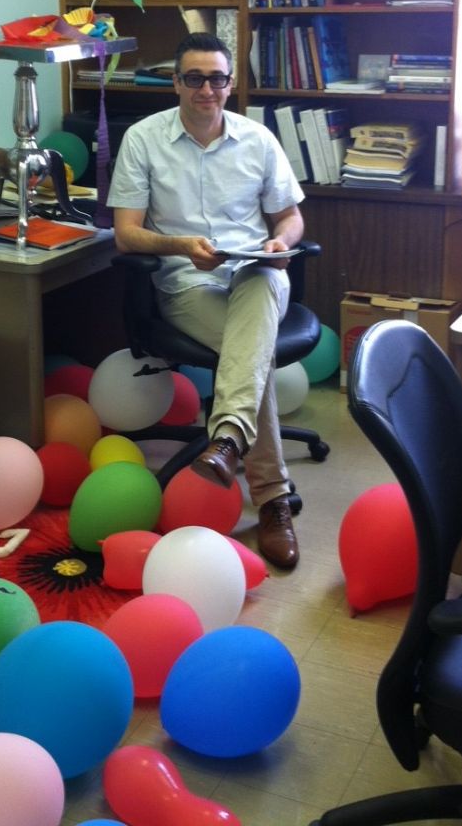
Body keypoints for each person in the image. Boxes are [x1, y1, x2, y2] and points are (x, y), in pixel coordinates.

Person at [107, 32, 306, 569]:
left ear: (230, 83)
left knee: (261, 290)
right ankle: (272, 499)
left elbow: (290, 216)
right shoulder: (144, 140)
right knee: (253, 359)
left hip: (257, 277)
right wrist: (180, 246)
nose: (206, 90)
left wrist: (279, 242)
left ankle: (228, 441)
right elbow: (126, 233)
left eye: (216, 78)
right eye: (193, 78)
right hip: (187, 284)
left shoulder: (258, 139)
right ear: (175, 83)